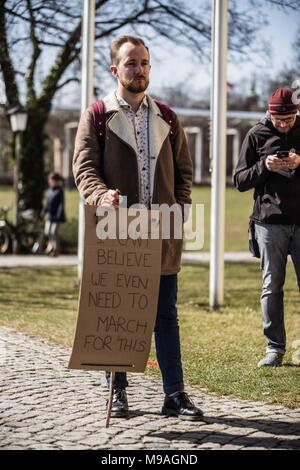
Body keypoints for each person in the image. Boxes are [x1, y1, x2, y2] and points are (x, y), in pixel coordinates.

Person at [73, 35, 203, 420]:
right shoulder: (97, 114)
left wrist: (179, 210)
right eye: (131, 63)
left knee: (166, 315)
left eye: (145, 62)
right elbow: (84, 169)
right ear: (115, 69)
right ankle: (117, 392)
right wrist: (101, 197)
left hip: (162, 231)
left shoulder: (167, 116)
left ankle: (175, 394)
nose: (140, 69)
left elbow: (184, 172)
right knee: (118, 313)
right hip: (117, 230)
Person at [234, 87, 300, 367]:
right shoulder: (256, 134)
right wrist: (264, 166)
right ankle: (275, 348)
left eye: (290, 120)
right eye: (279, 121)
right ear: (269, 113)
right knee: (272, 286)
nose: (284, 125)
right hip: (269, 224)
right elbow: (239, 180)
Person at [41, 172, 66, 256]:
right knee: (47, 231)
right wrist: (43, 213)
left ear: (56, 181)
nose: (49, 181)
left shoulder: (59, 191)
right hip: (50, 216)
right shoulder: (49, 190)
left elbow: (61, 204)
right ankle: (50, 245)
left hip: (57, 216)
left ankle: (56, 250)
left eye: (51, 180)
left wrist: (59, 214)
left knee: (53, 232)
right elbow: (47, 204)